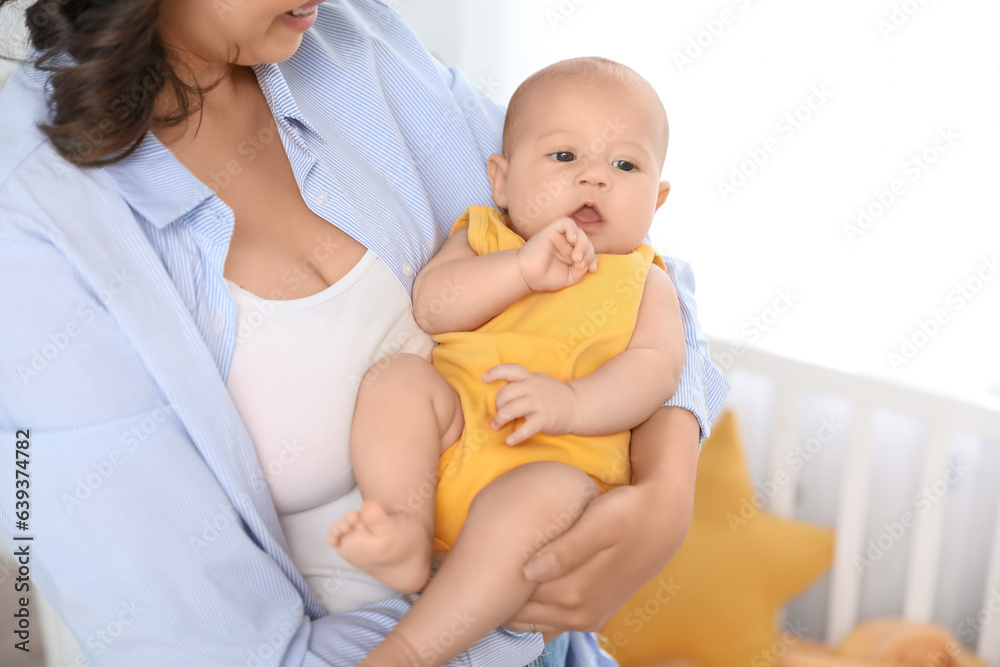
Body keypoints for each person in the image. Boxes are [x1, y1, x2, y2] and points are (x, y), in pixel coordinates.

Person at [0, 0, 729, 665]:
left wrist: (666, 490)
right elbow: (204, 648)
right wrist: (496, 613)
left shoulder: (350, 39)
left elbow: (629, 261)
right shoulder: (33, 220)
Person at [326, 57, 687, 667]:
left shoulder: (644, 281)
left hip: (559, 472)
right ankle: (403, 528)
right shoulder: (486, 236)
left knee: (538, 497)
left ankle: (411, 651)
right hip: (454, 437)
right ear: (501, 180)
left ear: (658, 198)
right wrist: (521, 271)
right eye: (564, 158)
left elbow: (656, 372)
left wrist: (572, 403)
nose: (594, 179)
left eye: (625, 166)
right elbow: (434, 306)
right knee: (398, 381)